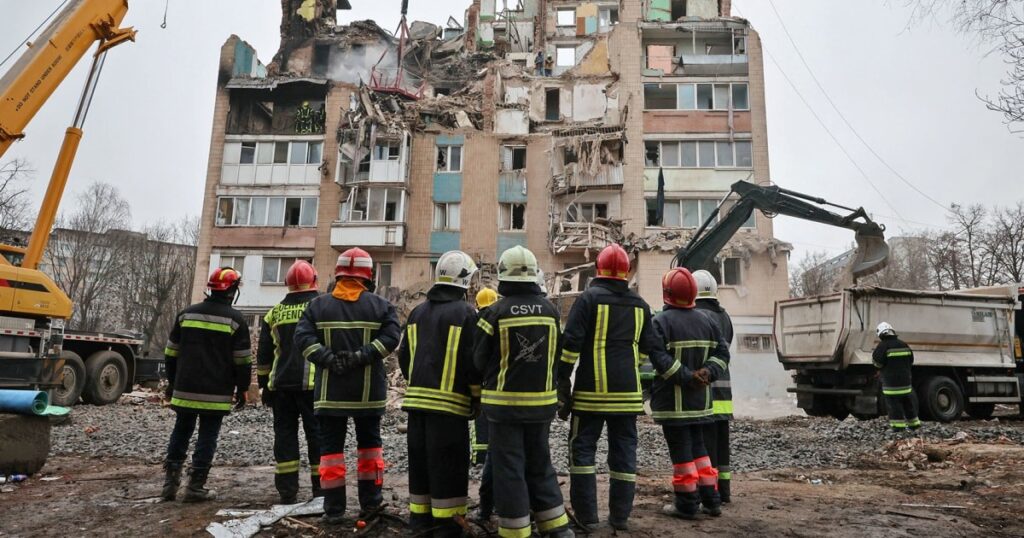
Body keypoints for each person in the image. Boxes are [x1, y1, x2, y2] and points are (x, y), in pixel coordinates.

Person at [558, 244, 674, 531]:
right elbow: (650, 349)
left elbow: (570, 346)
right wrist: (634, 365)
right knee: (624, 453)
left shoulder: (587, 300)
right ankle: (620, 517)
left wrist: (561, 380)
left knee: (583, 451)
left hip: (590, 394)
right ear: (626, 272)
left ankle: (587, 517)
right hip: (628, 395)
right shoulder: (640, 305)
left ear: (599, 270)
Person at [294, 248, 401, 525]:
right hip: (368, 397)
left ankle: (334, 510)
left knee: (330, 452)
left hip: (331, 397)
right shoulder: (381, 306)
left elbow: (303, 339)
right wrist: (362, 357)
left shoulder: (317, 306)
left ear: (338, 274)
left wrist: (328, 359)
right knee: (369, 448)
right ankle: (371, 504)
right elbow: (391, 338)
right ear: (369, 276)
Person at [473, 246, 573, 538]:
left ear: (504, 275)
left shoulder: (493, 313)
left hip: (503, 409)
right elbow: (558, 355)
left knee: (509, 470)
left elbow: (477, 360)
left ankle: (516, 532)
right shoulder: (552, 312)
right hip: (542, 407)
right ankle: (557, 529)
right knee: (541, 465)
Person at [398, 251, 481, 536]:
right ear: (466, 280)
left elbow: (405, 359)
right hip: (450, 409)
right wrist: (476, 398)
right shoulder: (467, 314)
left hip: (416, 404)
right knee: (448, 467)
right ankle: (447, 526)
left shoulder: (417, 313)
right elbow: (473, 362)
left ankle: (420, 522)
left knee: (420, 465)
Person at [161, 267, 252, 503]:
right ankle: (195, 486)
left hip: (184, 388)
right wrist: (242, 389)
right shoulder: (236, 320)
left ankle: (169, 485)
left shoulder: (186, 314)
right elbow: (242, 360)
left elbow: (171, 353)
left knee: (181, 430)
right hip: (216, 393)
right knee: (207, 436)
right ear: (232, 290)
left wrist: (172, 383)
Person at [652, 268, 730, 520]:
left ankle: (686, 503)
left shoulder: (660, 322)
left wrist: (686, 377)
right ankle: (711, 499)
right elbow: (723, 355)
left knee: (682, 454)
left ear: (667, 293)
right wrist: (708, 372)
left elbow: (659, 358)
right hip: (701, 404)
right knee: (700, 450)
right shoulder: (708, 321)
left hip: (674, 406)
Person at [256, 260, 322, 504]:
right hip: (313, 387)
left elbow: (263, 354)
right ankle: (321, 489)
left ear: (287, 284)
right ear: (314, 280)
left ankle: (287, 490)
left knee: (284, 436)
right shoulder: (321, 307)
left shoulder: (274, 312)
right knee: (317, 437)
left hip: (281, 385)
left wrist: (263, 384)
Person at [692, 269, 735, 503]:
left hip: (704, 390)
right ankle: (724, 490)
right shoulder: (725, 316)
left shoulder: (696, 316)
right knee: (721, 443)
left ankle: (709, 492)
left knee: (704, 444)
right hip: (724, 393)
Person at [472, 286, 499, 521]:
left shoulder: (477, 322)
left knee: (481, 428)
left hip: (482, 386)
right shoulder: (501, 317)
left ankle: (478, 457)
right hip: (498, 389)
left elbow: (475, 357)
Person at [873, 322, 921, 432]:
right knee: (908, 404)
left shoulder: (882, 346)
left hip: (891, 385)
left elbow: (877, 363)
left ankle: (898, 427)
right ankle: (914, 425)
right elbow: (911, 361)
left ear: (881, 334)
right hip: (906, 383)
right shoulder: (904, 344)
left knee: (894, 406)